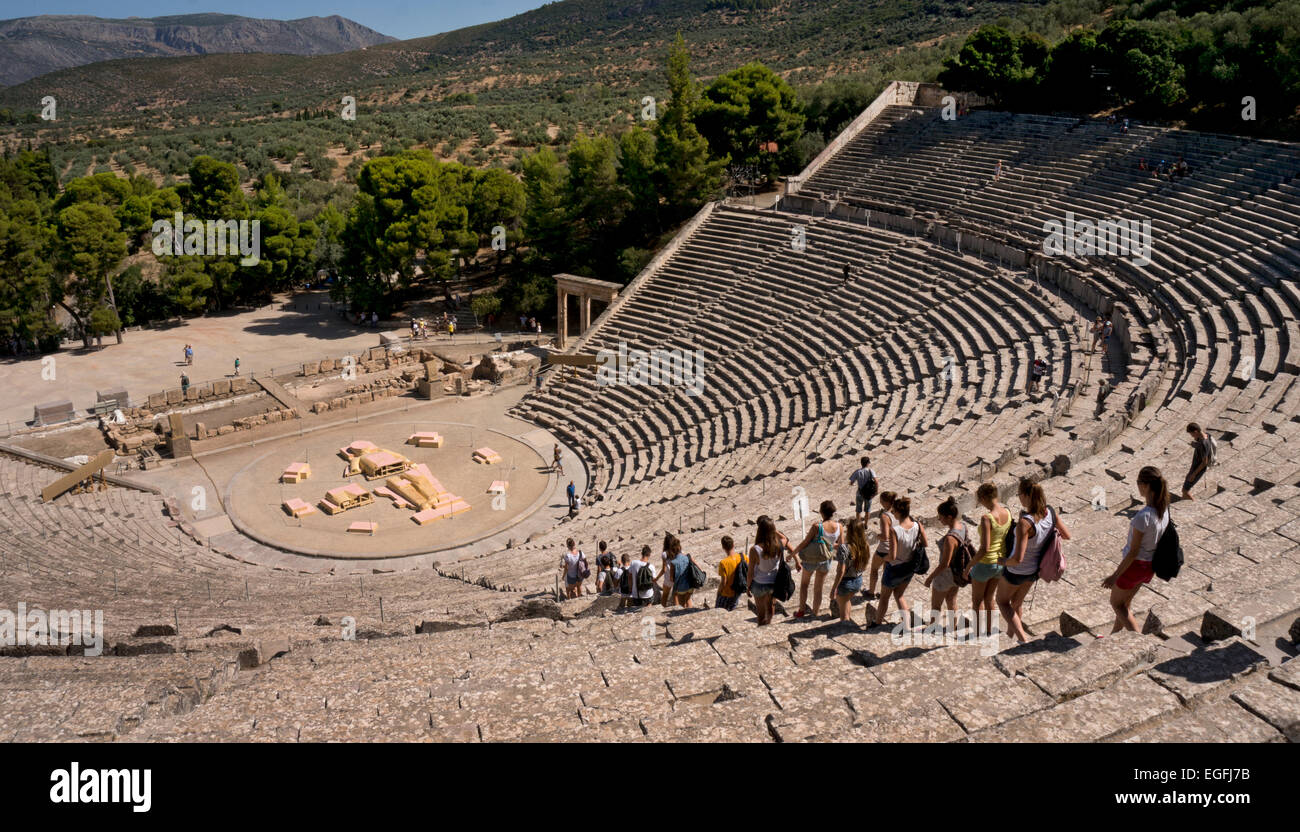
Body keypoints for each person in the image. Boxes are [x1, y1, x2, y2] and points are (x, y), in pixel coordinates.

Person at [997, 479, 1071, 643]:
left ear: (1025, 495)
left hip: (1016, 571)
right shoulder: (1050, 512)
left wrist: (1001, 561)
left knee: (1002, 602)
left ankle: (1023, 639)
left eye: (1019, 495)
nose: (1019, 498)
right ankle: (1010, 636)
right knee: (1017, 603)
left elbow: (1017, 559)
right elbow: (1066, 535)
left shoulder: (1025, 523)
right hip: (1034, 571)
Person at [1103, 466, 1170, 633]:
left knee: (1117, 604)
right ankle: (1114, 638)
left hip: (1135, 567)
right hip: (1149, 566)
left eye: (1138, 482)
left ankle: (1138, 640)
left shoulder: (1143, 517)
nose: (1138, 486)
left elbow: (1133, 552)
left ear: (1146, 486)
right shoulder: (1164, 511)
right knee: (1125, 605)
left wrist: (1115, 576)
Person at [965, 483, 1010, 638]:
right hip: (1000, 563)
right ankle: (989, 631)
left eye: (980, 500)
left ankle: (977, 632)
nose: (980, 503)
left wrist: (969, 565)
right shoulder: (1007, 513)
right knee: (989, 598)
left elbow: (985, 548)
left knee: (977, 601)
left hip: (985, 564)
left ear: (984, 498)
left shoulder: (987, 518)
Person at [876, 496, 925, 628]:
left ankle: (877, 623)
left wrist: (884, 559)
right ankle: (907, 625)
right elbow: (925, 543)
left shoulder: (895, 530)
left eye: (894, 512)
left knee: (884, 597)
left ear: (898, 512)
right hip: (910, 567)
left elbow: (892, 556)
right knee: (899, 595)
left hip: (895, 568)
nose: (893, 514)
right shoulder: (918, 525)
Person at [792, 500, 839, 619]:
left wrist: (792, 553)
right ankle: (815, 613)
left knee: (804, 585)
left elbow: (805, 543)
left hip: (811, 560)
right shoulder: (839, 527)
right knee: (819, 588)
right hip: (826, 560)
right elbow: (840, 545)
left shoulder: (817, 527)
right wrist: (828, 545)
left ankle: (801, 611)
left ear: (821, 512)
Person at [925, 497, 965, 631]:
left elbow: (944, 564)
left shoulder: (950, 538)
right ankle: (952, 628)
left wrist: (930, 578)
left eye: (940, 517)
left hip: (945, 576)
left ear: (948, 517)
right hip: (956, 574)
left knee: (936, 605)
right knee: (951, 601)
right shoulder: (962, 526)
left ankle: (932, 628)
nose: (939, 519)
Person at [748, 515, 792, 626]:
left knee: (761, 613)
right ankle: (768, 625)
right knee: (770, 608)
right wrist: (773, 530)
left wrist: (748, 587)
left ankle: (762, 628)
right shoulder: (779, 544)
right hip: (773, 583)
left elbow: (750, 572)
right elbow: (785, 539)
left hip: (758, 583)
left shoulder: (755, 549)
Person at [831, 517, 870, 623]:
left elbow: (841, 571)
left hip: (845, 583)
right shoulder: (865, 546)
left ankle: (845, 628)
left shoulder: (844, 548)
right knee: (846, 601)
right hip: (858, 581)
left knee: (843, 616)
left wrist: (834, 588)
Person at [868, 491, 896, 599]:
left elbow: (885, 536)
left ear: (884, 501)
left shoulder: (885, 516)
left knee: (874, 569)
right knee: (886, 572)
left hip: (884, 548)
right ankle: (883, 593)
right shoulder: (896, 513)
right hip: (893, 548)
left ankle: (871, 592)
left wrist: (876, 535)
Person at [665, 535, 704, 609]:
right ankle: (690, 613)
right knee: (688, 600)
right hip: (690, 585)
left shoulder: (673, 563)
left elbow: (671, 578)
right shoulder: (688, 557)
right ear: (680, 548)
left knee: (682, 604)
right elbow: (698, 567)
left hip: (681, 587)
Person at [1182, 423, 1212, 500]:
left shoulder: (1203, 443)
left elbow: (1204, 462)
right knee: (1185, 487)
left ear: (1195, 432)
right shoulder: (1207, 435)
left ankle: (1192, 503)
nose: (1192, 436)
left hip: (1198, 468)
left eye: (1192, 434)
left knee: (1185, 490)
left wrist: (1194, 474)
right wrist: (1195, 444)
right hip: (1195, 466)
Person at [715, 536, 745, 611]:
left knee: (719, 612)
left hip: (726, 593)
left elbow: (723, 582)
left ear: (723, 547)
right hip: (738, 591)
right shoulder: (742, 557)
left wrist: (719, 592)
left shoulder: (723, 563)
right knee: (732, 610)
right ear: (733, 544)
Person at [849, 455, 879, 520]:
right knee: (867, 510)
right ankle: (866, 524)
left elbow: (851, 482)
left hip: (860, 493)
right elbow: (876, 481)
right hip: (869, 494)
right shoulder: (871, 471)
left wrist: (853, 483)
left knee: (858, 510)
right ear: (868, 463)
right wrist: (876, 491)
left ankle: (858, 523)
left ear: (861, 463)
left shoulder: (857, 472)